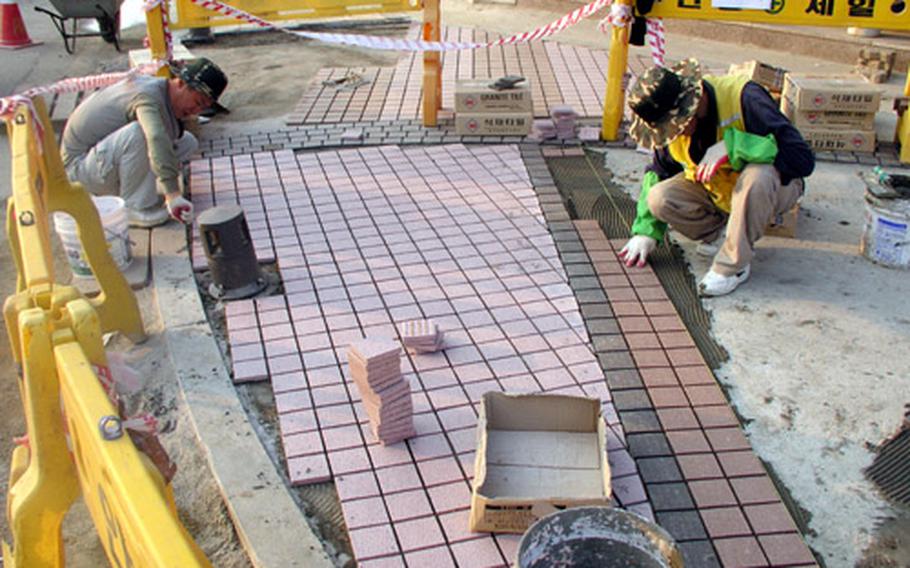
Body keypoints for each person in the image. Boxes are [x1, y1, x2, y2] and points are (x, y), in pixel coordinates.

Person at [619, 59, 815, 296]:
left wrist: (732, 146)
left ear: (689, 106)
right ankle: (721, 234)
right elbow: (659, 171)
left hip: (774, 189)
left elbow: (801, 159)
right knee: (659, 197)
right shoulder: (671, 131)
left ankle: (732, 267)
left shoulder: (745, 98)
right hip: (718, 194)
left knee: (758, 176)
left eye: (674, 126)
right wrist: (646, 231)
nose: (673, 134)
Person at [62, 57, 228, 227]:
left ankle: (135, 187)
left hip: (101, 160)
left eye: (203, 107)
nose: (196, 111)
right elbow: (155, 136)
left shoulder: (162, 90)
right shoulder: (148, 96)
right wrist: (172, 193)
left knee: (187, 142)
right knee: (141, 133)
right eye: (197, 102)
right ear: (180, 83)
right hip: (80, 172)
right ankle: (135, 207)